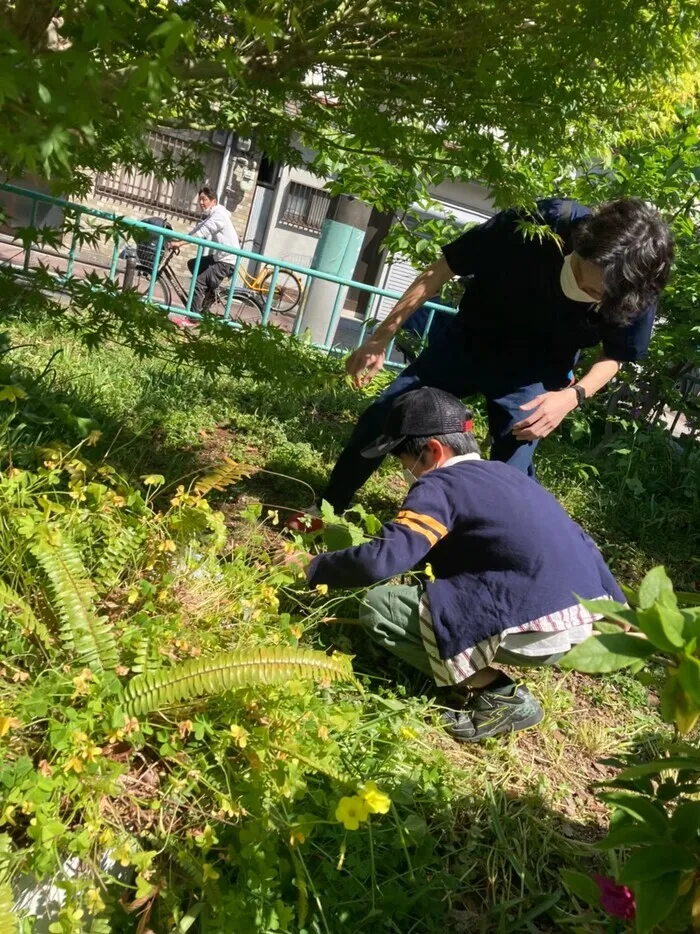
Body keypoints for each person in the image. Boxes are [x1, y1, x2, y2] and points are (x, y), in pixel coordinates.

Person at [292, 197, 673, 523]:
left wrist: (571, 397)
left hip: (538, 371)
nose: (589, 297)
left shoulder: (635, 285)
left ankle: (483, 554)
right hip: (469, 341)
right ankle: (328, 506)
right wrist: (379, 338)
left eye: (599, 297)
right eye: (587, 283)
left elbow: (615, 356)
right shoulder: (538, 223)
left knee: (511, 472)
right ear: (579, 244)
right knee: (386, 413)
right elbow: (441, 268)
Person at [299, 387, 625, 742]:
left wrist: (314, 567)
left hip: (534, 621)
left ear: (434, 451)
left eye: (404, 462)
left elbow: (384, 559)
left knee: (381, 608)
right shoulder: (512, 476)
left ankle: (497, 692)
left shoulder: (440, 484)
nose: (405, 471)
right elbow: (581, 542)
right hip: (583, 620)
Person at [170, 187, 241, 312]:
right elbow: (198, 229)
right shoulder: (213, 214)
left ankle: (192, 317)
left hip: (226, 261)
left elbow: (202, 232)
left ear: (214, 201)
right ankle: (208, 296)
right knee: (192, 264)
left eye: (204, 199)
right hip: (220, 257)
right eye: (200, 200)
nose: (201, 203)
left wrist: (180, 243)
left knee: (198, 283)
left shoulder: (219, 215)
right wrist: (178, 238)